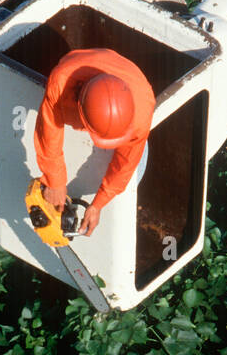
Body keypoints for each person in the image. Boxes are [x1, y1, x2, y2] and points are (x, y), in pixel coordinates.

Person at [34, 48, 154, 236]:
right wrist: (54, 181)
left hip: (129, 79)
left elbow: (125, 164)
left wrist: (98, 204)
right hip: (74, 63)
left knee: (133, 174)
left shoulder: (142, 110)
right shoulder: (61, 81)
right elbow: (48, 132)